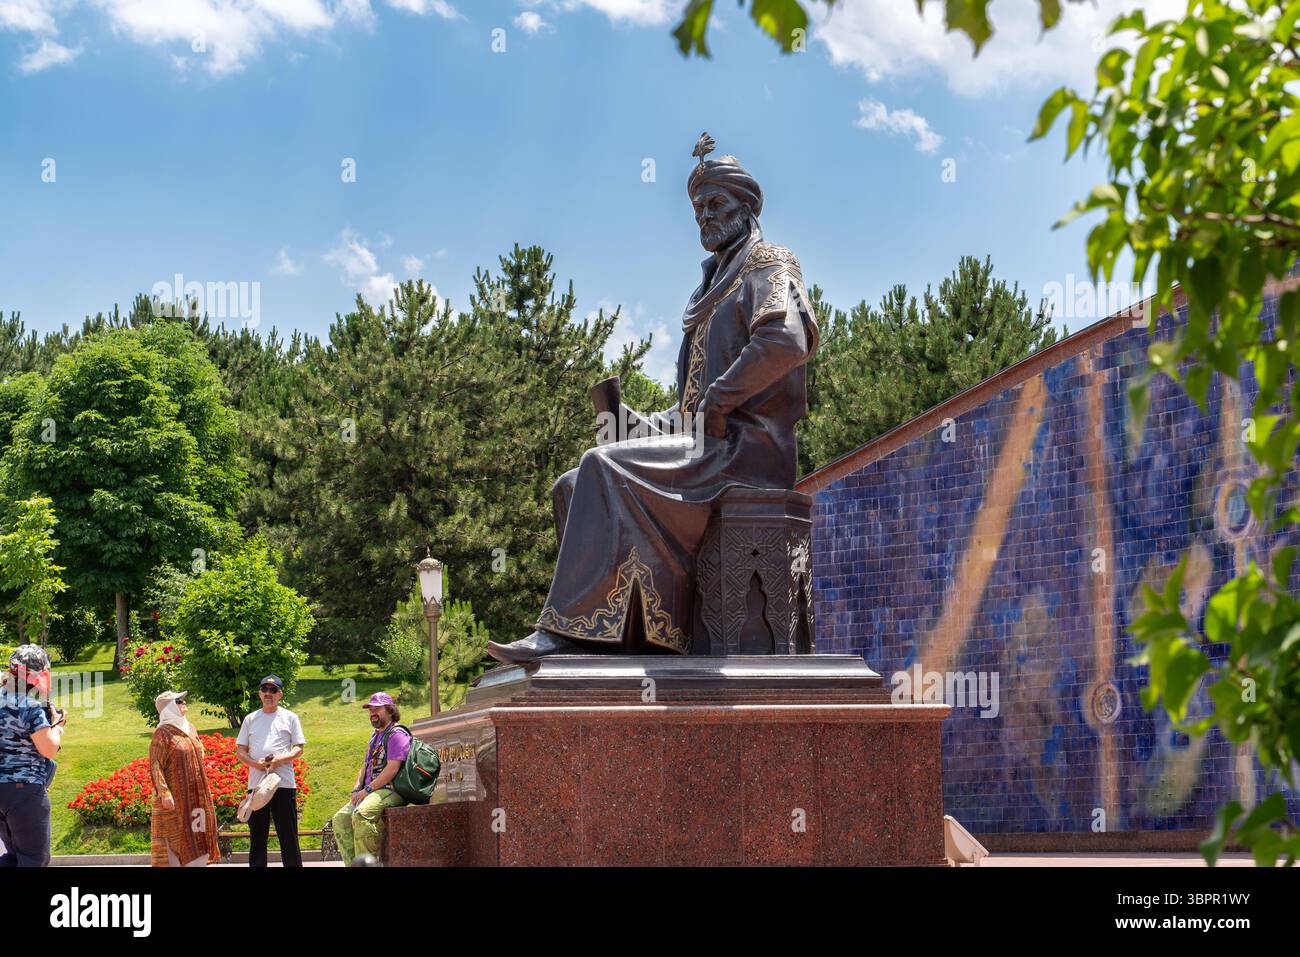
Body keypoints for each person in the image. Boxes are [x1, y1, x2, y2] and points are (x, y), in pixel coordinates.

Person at [488, 133, 818, 662]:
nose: (705, 217)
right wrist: (629, 423)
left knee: (602, 466)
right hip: (706, 445)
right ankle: (617, 637)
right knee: (571, 484)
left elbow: (785, 340)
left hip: (749, 450)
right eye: (697, 210)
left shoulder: (769, 264)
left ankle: (562, 633)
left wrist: (720, 399)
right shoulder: (709, 294)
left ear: (747, 208)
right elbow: (688, 409)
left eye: (716, 204)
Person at [0, 645, 65, 867]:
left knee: (13, 858)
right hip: (24, 790)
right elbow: (48, 748)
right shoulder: (30, 705)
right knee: (33, 859)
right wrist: (58, 726)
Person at [235, 675, 306, 867]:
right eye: (265, 690)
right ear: (259, 693)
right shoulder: (250, 719)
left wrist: (279, 760)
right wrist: (255, 764)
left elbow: (299, 748)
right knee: (257, 835)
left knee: (288, 835)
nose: (268, 694)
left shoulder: (290, 717)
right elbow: (240, 751)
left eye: (273, 690)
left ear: (280, 694)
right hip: (257, 785)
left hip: (283, 783)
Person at [331, 693, 410, 865]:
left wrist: (367, 790)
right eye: (370, 709)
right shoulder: (375, 735)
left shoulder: (397, 734)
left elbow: (392, 769)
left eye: (377, 708)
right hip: (370, 791)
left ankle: (368, 864)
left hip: (391, 789)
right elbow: (364, 766)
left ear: (390, 710)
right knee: (340, 819)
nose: (372, 712)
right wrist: (356, 789)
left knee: (361, 814)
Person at [148, 690, 219, 867]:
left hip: (197, 797)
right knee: (176, 839)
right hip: (175, 801)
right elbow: (155, 764)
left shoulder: (190, 727)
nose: (184, 703)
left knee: (199, 835)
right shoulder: (162, 734)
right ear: (168, 708)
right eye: (178, 701)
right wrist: (164, 793)